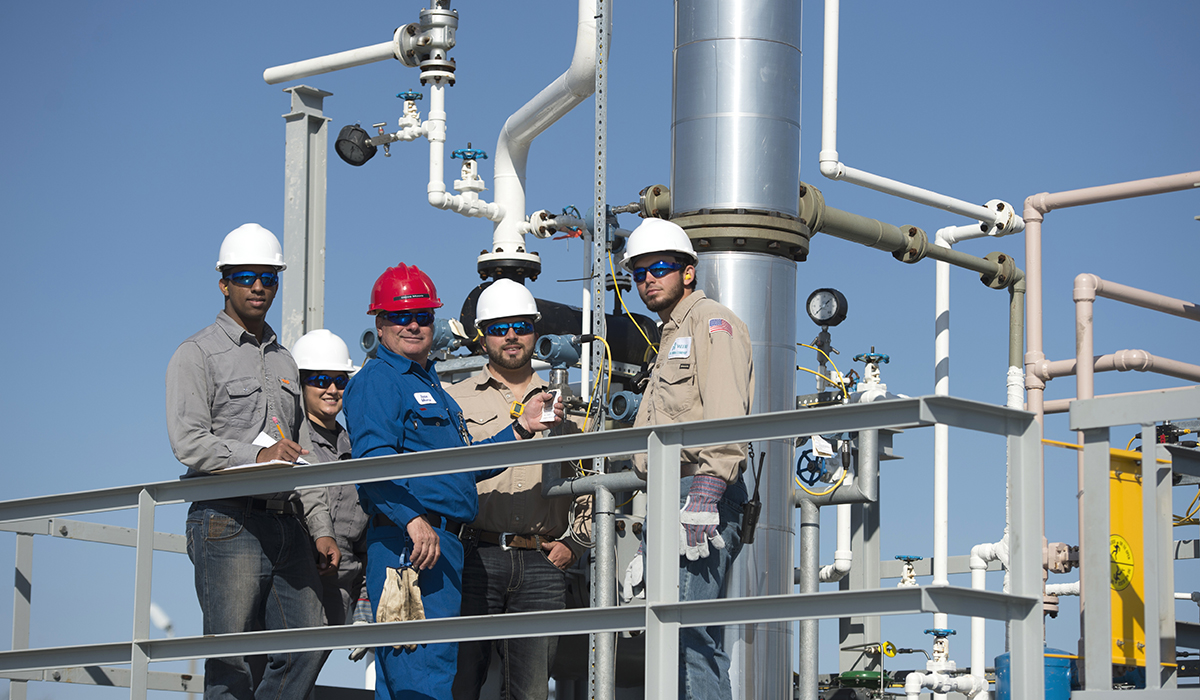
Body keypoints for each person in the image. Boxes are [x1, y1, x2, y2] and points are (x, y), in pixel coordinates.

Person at [342, 263, 563, 700]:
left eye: (423, 316)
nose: (413, 325)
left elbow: (461, 467)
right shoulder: (379, 380)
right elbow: (371, 462)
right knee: (420, 681)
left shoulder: (432, 386)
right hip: (412, 550)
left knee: (430, 676)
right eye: (401, 316)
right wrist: (412, 520)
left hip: (442, 549)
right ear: (380, 324)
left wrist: (518, 430)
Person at [165, 223, 338, 700]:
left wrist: (320, 525)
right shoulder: (196, 354)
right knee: (233, 662)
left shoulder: (285, 362)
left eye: (269, 277)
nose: (259, 286)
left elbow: (303, 447)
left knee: (308, 643)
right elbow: (188, 443)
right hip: (226, 520)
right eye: (246, 276)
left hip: (287, 524)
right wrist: (257, 456)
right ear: (224, 283)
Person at [619, 218, 754, 700]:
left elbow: (724, 409)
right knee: (667, 634)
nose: (648, 279)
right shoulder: (669, 336)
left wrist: (707, 491)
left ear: (688, 271)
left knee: (689, 633)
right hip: (667, 498)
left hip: (700, 493)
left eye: (659, 267)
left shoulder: (711, 322)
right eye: (638, 272)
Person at [447, 279, 591, 700]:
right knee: (459, 683)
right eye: (498, 327)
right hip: (474, 556)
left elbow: (590, 483)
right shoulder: (455, 399)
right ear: (481, 336)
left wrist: (575, 545)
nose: (511, 335)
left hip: (543, 562)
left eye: (521, 325)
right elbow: (445, 478)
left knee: (530, 693)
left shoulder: (566, 401)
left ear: (536, 331)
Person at [293, 329, 371, 628]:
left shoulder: (358, 448)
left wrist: (365, 594)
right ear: (300, 384)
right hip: (295, 577)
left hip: (340, 585)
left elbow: (367, 533)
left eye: (340, 380)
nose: (332, 389)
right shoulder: (288, 443)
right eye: (320, 380)